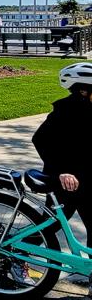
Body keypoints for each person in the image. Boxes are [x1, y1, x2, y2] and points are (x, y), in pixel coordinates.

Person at [32, 62, 92, 249]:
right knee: (50, 225)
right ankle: (14, 253)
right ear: (82, 91)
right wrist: (62, 171)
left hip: (84, 179)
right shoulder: (64, 112)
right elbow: (40, 140)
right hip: (64, 183)